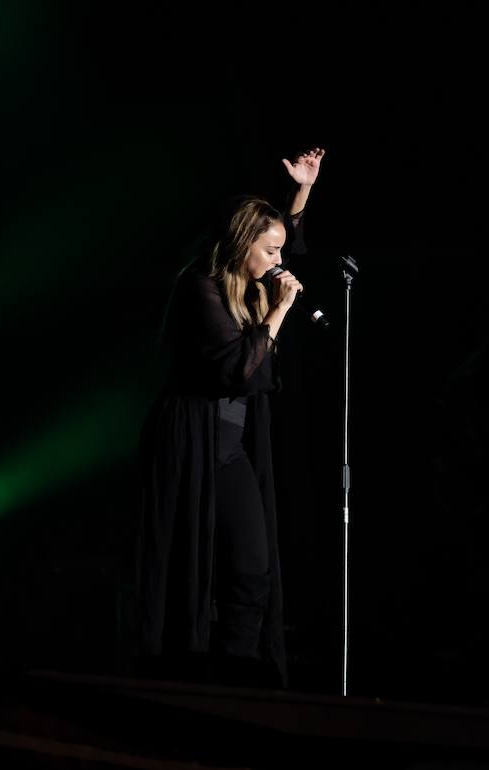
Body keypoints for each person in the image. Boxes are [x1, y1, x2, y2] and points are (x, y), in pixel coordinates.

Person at [136, 147, 326, 688]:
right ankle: (180, 677)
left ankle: (237, 676)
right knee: (188, 566)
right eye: (269, 252)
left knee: (253, 566)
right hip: (188, 439)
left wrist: (302, 190)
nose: (279, 262)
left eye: (280, 252)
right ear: (243, 246)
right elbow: (238, 369)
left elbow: (282, 231)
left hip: (229, 445)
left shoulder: (250, 277)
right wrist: (280, 311)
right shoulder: (201, 287)